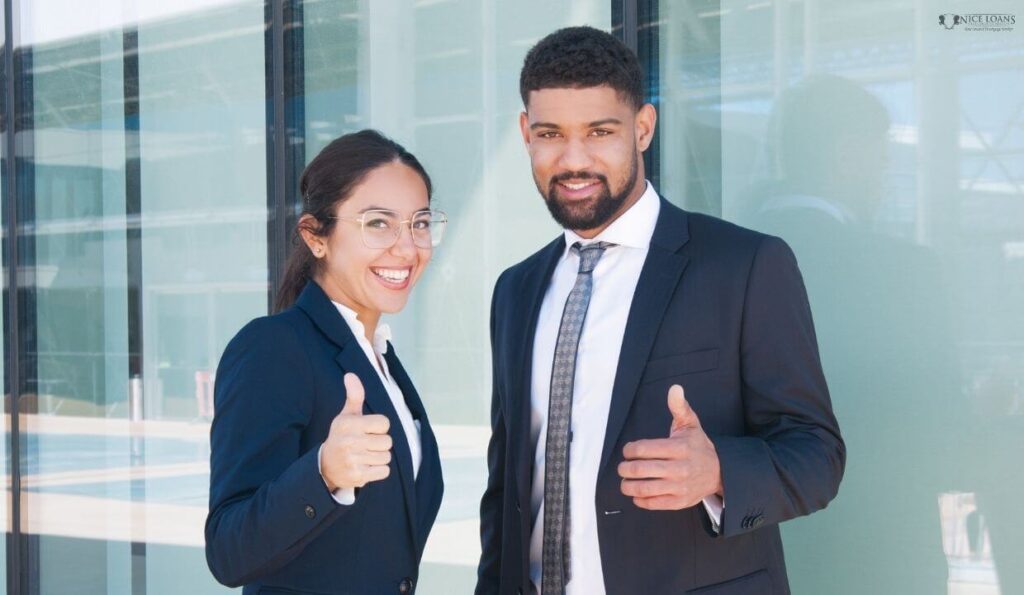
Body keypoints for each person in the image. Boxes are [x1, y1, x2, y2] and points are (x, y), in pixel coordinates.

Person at [476, 27, 844, 595]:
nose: (574, 160)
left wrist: (718, 471)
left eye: (600, 132)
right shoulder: (515, 289)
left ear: (643, 128)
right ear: (526, 133)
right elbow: (507, 489)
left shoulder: (743, 266)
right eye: (551, 134)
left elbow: (817, 455)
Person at [206, 129, 446, 594]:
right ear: (316, 237)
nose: (407, 247)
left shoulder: (381, 360)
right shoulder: (273, 348)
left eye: (419, 223)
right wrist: (324, 474)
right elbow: (228, 550)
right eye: (378, 223)